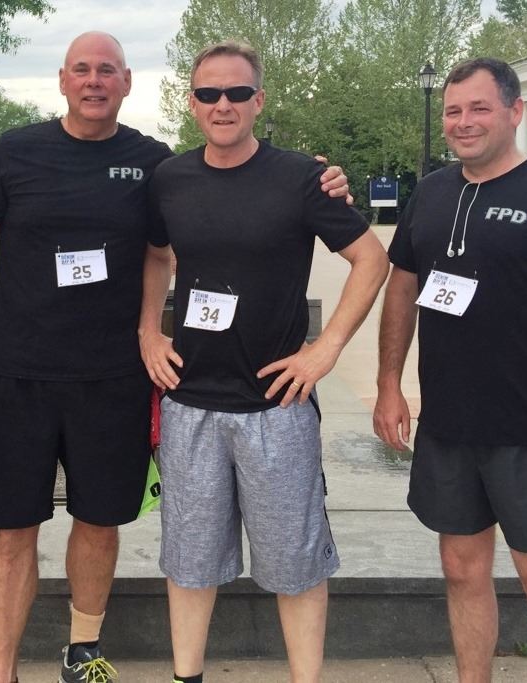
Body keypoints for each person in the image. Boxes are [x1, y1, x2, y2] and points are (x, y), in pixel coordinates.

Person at [0, 31, 351, 683]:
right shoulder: (16, 151)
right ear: (63, 81)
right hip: (21, 374)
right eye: (82, 70)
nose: (94, 81)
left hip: (115, 377)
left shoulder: (157, 163)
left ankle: (81, 650)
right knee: (12, 529)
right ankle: (1, 671)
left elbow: (206, 196)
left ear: (127, 83)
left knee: (99, 518)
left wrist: (319, 175)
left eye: (108, 71)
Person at [138, 40, 389, 683]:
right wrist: (147, 328)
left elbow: (371, 260)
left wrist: (324, 348)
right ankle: (185, 675)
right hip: (191, 400)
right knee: (189, 561)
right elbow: (157, 254)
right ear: (191, 103)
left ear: (259, 100)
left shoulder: (301, 177)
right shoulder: (171, 178)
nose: (223, 105)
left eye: (237, 93)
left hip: (277, 406)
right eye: (208, 94)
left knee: (295, 564)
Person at [373, 58, 527, 683]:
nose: (463, 122)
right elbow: (401, 293)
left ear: (515, 111)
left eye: (479, 108)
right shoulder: (431, 193)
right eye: (453, 111)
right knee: (461, 572)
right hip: (449, 427)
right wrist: (387, 385)